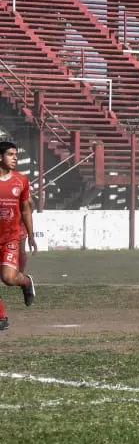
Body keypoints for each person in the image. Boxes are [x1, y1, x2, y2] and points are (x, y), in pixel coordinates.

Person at [0, 141, 36, 330]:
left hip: (10, 237)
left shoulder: (21, 180)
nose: (15, 158)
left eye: (16, 154)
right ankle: (1, 318)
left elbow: (26, 210)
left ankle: (26, 281)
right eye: (10, 154)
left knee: (8, 278)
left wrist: (31, 235)